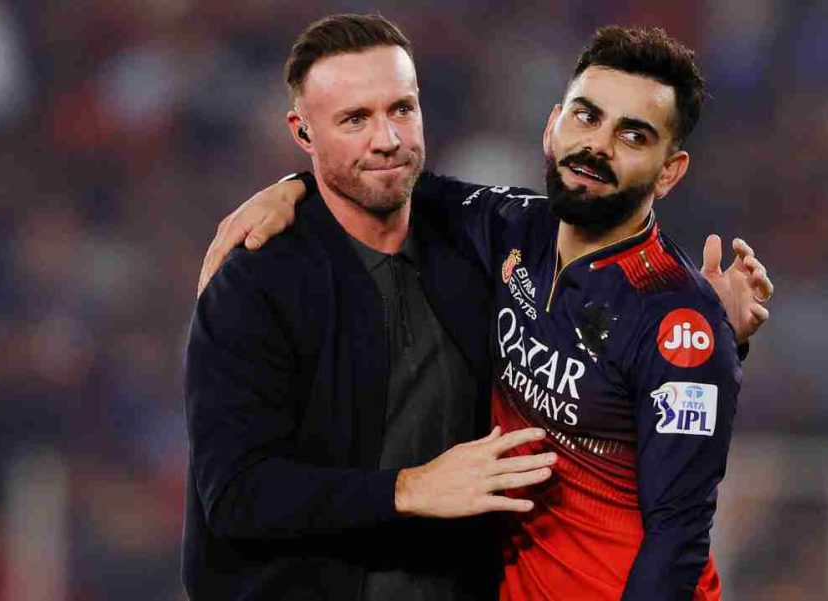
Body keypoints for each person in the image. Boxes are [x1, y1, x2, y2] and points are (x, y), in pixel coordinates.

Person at [198, 20, 776, 601]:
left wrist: (718, 341)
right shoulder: (508, 227)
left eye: (633, 135)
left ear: (669, 171)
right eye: (587, 116)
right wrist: (293, 185)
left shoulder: (679, 322)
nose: (598, 145)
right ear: (553, 125)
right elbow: (388, 179)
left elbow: (677, 539)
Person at [183, 15, 562, 601]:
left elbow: (578, 238)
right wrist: (408, 489)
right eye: (354, 119)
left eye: (401, 109)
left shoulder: (473, 243)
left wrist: (699, 310)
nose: (386, 138)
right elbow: (237, 496)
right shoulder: (253, 285)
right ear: (303, 132)